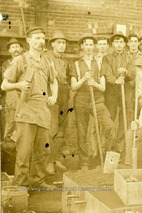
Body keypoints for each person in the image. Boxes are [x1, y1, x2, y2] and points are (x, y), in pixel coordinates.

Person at [1, 27, 58, 187]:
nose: (40, 41)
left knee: (43, 150)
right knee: (24, 152)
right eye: (37, 38)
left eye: (42, 38)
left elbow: (54, 81)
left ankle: (37, 181)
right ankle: (21, 186)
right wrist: (19, 84)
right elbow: (4, 85)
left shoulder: (47, 61)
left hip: (42, 112)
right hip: (25, 112)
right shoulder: (20, 60)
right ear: (28, 40)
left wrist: (54, 95)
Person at [69, 34, 116, 170]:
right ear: (82, 47)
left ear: (94, 47)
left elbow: (103, 87)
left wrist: (94, 83)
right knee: (82, 132)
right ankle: (84, 163)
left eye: (91, 44)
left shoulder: (99, 64)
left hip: (97, 99)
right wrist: (84, 78)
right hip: (82, 100)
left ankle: (107, 160)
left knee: (110, 127)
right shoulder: (76, 65)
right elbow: (73, 87)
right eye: (86, 44)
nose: (89, 47)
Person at [101, 32, 136, 152]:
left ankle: (120, 149)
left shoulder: (130, 58)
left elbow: (133, 74)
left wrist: (125, 73)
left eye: (121, 42)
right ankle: (108, 149)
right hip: (112, 90)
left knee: (125, 118)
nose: (119, 44)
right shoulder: (107, 57)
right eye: (116, 42)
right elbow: (106, 73)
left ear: (125, 43)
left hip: (126, 90)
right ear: (112, 43)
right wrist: (116, 81)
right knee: (110, 119)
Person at [45, 31, 70, 175]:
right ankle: (49, 162)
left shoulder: (64, 60)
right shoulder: (47, 57)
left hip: (64, 92)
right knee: (52, 128)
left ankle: (56, 159)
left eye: (64, 43)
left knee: (62, 126)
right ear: (53, 44)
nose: (61, 45)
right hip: (52, 92)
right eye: (59, 42)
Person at [1, 38, 23, 150]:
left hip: (24, 97)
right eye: (13, 47)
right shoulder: (6, 64)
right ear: (9, 51)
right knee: (10, 122)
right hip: (11, 96)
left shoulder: (25, 62)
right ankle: (8, 148)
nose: (15, 49)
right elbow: (8, 80)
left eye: (17, 47)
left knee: (22, 123)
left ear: (21, 49)